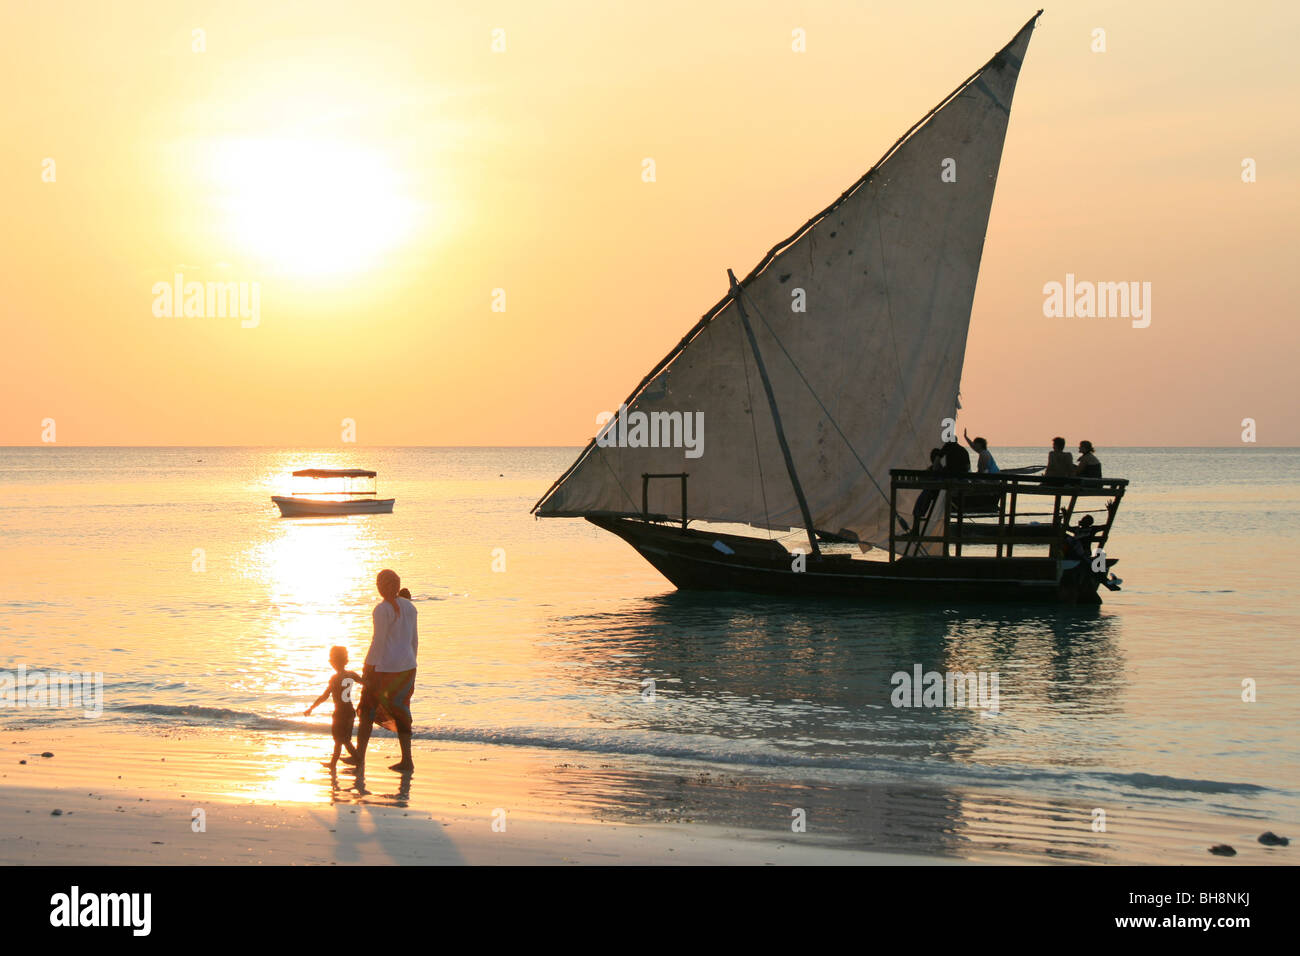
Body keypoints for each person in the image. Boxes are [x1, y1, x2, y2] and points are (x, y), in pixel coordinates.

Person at [355, 569, 419, 775]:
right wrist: (412, 662)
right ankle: (407, 760)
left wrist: (367, 667)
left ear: (381, 587)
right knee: (401, 712)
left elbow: (378, 642)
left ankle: (359, 757)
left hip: (384, 669)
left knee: (366, 710)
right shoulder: (410, 606)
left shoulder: (382, 610)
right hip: (407, 668)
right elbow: (414, 641)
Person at [304, 646, 362, 769]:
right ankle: (337, 763)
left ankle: (357, 760)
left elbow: (324, 696)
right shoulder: (351, 674)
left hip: (340, 712)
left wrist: (311, 708)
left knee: (339, 740)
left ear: (333, 662)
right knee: (345, 739)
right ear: (346, 660)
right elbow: (366, 683)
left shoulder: (335, 678)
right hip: (350, 711)